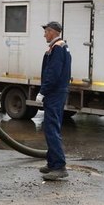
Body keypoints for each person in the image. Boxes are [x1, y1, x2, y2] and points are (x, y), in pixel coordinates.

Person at [39, 21, 72, 180]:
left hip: (54, 93)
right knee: (50, 127)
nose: (44, 34)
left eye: (46, 31)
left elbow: (53, 73)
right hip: (57, 92)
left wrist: (43, 92)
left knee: (52, 128)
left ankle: (59, 166)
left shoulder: (57, 48)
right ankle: (52, 163)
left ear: (52, 32)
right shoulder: (60, 47)